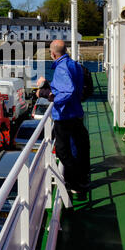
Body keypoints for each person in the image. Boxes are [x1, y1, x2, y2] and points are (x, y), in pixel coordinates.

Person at [36, 40, 90, 193]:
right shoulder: (74, 65)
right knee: (80, 146)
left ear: (53, 54)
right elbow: (68, 86)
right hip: (76, 112)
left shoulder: (61, 68)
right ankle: (82, 179)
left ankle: (75, 183)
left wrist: (49, 96)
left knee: (62, 151)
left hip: (64, 115)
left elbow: (67, 91)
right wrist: (47, 83)